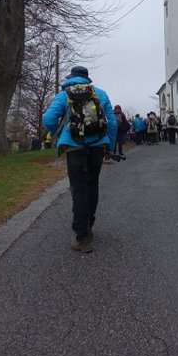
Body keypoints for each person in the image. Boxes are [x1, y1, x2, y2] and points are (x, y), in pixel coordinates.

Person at [42, 65, 116, 253]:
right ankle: (89, 225)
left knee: (78, 188)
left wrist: (60, 134)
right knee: (92, 184)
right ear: (87, 78)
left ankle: (81, 237)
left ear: (71, 78)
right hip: (98, 145)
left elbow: (48, 118)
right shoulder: (100, 94)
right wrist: (110, 146)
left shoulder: (64, 95)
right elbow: (112, 122)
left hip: (74, 146)